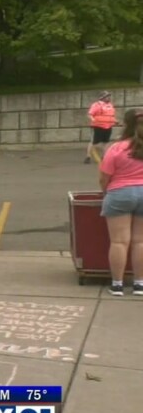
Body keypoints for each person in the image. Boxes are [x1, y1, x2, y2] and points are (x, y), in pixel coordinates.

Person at [98, 108, 143, 296]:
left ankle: (117, 284)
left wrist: (105, 192)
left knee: (119, 241)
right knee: (140, 241)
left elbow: (104, 177)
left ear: (126, 124)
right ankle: (139, 284)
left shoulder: (116, 148)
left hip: (120, 193)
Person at [85, 91, 116, 164]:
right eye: (107, 96)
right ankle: (88, 156)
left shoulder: (110, 105)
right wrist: (93, 119)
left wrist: (115, 121)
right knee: (94, 142)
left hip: (108, 126)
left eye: (109, 96)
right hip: (97, 126)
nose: (109, 98)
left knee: (106, 142)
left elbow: (111, 115)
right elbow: (90, 114)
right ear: (102, 97)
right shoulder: (96, 105)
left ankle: (104, 156)